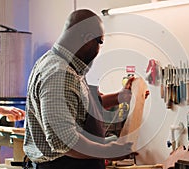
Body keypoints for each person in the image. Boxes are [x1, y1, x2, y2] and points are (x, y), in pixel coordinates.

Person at [24, 9, 147, 169]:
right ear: (88, 38)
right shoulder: (59, 74)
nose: (99, 49)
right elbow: (63, 141)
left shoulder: (64, 66)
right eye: (100, 42)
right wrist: (108, 151)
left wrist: (120, 97)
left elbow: (80, 107)